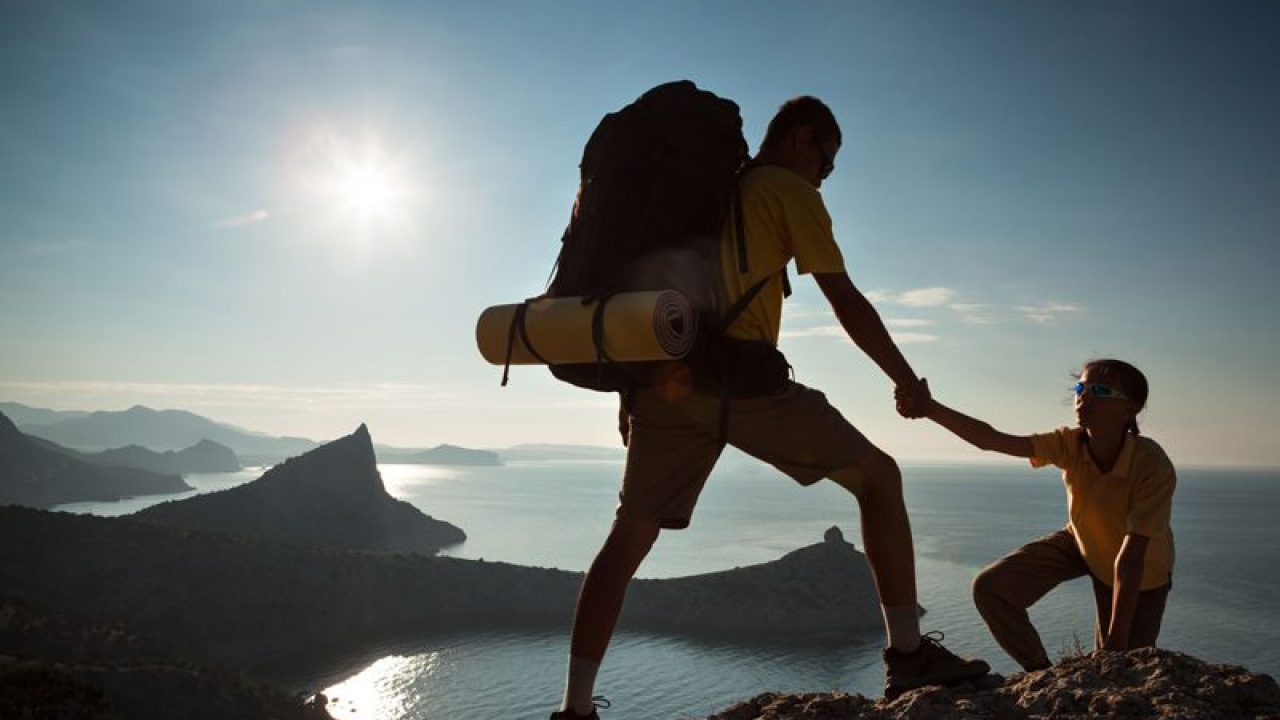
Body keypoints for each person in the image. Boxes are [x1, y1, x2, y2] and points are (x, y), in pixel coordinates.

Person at [551, 96, 989, 719]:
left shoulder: (708, 194)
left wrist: (629, 390)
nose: (825, 176)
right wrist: (905, 380)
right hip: (744, 386)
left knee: (626, 541)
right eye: (827, 162)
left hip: (664, 383)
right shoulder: (786, 189)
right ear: (802, 139)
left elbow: (664, 284)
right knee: (880, 478)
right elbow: (844, 298)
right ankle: (909, 657)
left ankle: (574, 709)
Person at [909, 358, 1176, 671]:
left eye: (1099, 390)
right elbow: (991, 439)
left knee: (1127, 666)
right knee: (991, 588)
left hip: (1142, 573)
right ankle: (1041, 673)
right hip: (1081, 542)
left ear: (1130, 409)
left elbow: (1131, 559)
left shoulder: (1152, 465)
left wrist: (1115, 647)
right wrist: (930, 408)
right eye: (1081, 388)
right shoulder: (1070, 443)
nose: (1083, 396)